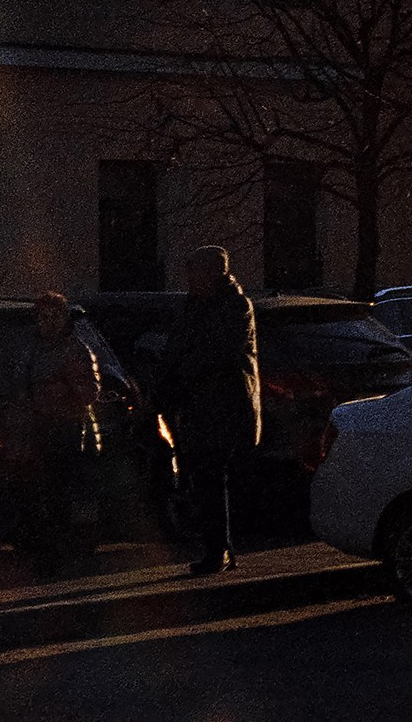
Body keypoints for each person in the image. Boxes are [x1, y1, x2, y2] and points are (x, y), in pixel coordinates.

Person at [161, 245, 259, 575]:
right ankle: (219, 548)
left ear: (213, 273)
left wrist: (184, 369)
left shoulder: (235, 306)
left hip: (224, 405)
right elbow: (176, 351)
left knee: (212, 476)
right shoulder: (194, 306)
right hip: (199, 405)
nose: (190, 280)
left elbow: (218, 354)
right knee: (205, 478)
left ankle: (219, 550)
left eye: (195, 273)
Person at [12, 291, 103, 572]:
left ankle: (69, 549)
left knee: (68, 489)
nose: (47, 322)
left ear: (64, 319)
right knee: (42, 490)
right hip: (39, 428)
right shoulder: (30, 350)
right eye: (43, 316)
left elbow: (91, 391)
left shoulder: (76, 349)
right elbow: (20, 386)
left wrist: (65, 388)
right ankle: (47, 546)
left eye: (54, 316)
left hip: (69, 429)